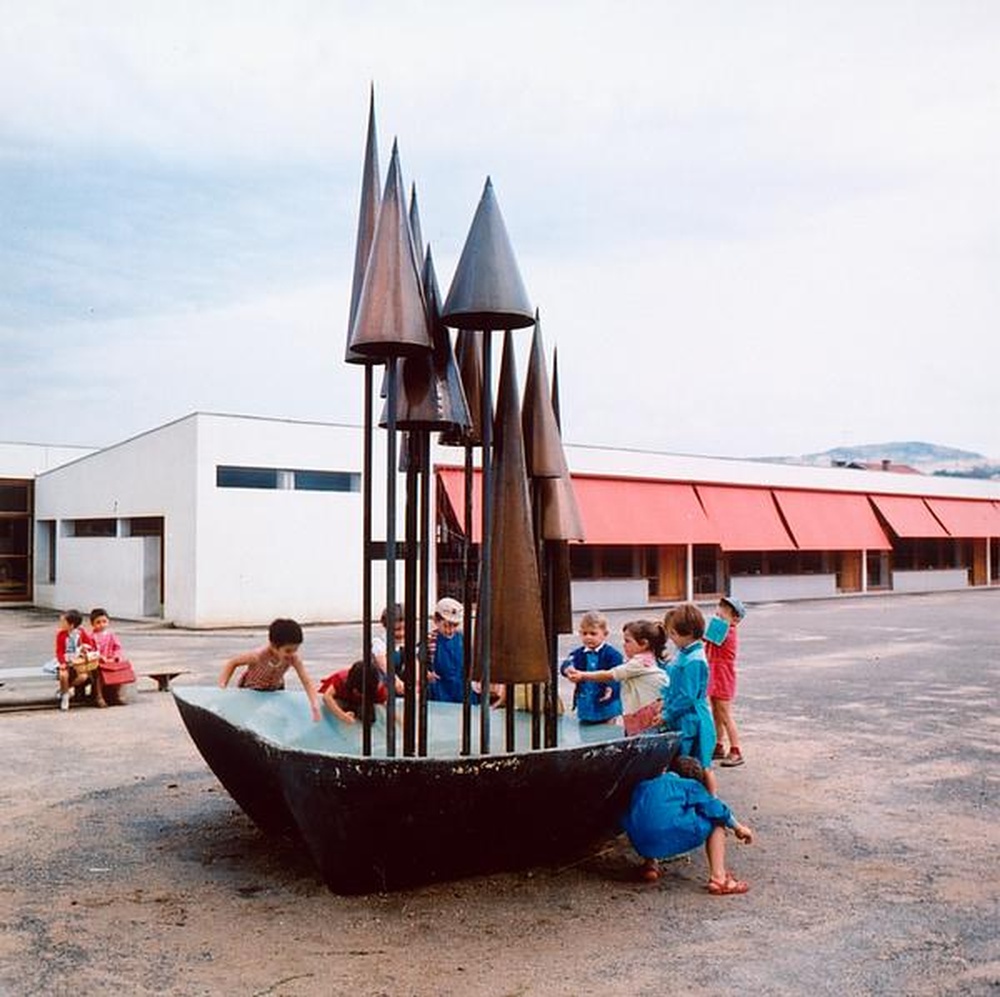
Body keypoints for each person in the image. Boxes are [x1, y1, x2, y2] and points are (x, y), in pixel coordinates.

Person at [622, 754, 754, 893]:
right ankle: (719, 879)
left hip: (639, 842)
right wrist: (738, 827)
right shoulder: (691, 785)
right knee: (716, 820)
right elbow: (716, 808)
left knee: (651, 816)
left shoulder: (645, 785)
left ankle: (650, 864)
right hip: (665, 833)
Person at [566, 619, 667, 733]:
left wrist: (582, 675)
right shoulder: (648, 659)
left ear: (644, 643)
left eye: (627, 641)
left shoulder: (640, 663)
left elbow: (610, 674)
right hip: (643, 711)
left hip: (643, 714)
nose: (624, 645)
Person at [218, 617, 320, 721]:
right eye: (288, 651)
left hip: (274, 688)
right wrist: (222, 686)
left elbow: (306, 681)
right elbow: (232, 663)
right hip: (252, 688)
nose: (292, 654)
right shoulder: (257, 656)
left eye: (295, 650)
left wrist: (314, 703)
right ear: (273, 645)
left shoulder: (294, 658)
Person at [660, 603, 717, 771]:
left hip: (689, 717)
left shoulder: (694, 659)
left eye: (674, 634)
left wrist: (667, 714)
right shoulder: (684, 651)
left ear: (690, 633)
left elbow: (687, 696)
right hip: (680, 714)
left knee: (689, 764)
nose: (671, 638)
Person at [559, 610, 623, 724]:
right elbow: (566, 663)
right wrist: (568, 670)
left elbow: (618, 674)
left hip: (606, 702)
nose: (588, 637)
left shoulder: (612, 654)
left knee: (607, 730)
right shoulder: (578, 653)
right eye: (584, 633)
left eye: (593, 634)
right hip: (585, 702)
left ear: (605, 634)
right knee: (586, 727)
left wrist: (611, 687)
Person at [706, 596, 747, 767]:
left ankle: (736, 750)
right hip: (714, 672)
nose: (719, 611)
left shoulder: (726, 630)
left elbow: (704, 638)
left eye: (725, 611)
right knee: (716, 711)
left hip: (722, 674)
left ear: (735, 619)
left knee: (724, 713)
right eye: (720, 607)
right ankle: (718, 745)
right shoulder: (722, 626)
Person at [89, 608, 136, 707]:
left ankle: (117, 695)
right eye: (98, 622)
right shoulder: (91, 637)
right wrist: (99, 657)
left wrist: (115, 657)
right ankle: (99, 696)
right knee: (98, 674)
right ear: (92, 624)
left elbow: (117, 648)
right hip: (97, 662)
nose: (102, 625)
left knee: (120, 671)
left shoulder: (111, 635)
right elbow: (90, 650)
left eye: (104, 622)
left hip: (111, 660)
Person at [55, 609, 100, 711]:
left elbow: (90, 645)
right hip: (66, 660)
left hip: (78, 662)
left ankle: (63, 690)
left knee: (83, 677)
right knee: (63, 675)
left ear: (71, 625)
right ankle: (65, 698)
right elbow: (59, 651)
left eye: (63, 622)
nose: (61, 624)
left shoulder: (81, 633)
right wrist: (62, 663)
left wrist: (85, 648)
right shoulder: (61, 635)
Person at [319, 658, 386, 725]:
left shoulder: (377, 687)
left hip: (360, 702)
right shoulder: (342, 679)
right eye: (357, 691)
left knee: (369, 717)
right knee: (337, 704)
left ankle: (355, 710)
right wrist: (343, 716)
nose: (359, 694)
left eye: (362, 693)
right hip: (342, 698)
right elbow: (326, 697)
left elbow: (386, 703)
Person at [426, 597, 466, 703]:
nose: (450, 630)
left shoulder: (462, 638)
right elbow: (417, 662)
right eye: (446, 626)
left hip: (461, 688)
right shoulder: (430, 640)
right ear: (436, 620)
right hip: (439, 690)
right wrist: (427, 673)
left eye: (455, 626)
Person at [372, 604, 406, 695]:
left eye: (404, 628)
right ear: (386, 627)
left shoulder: (405, 645)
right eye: (397, 629)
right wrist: (397, 682)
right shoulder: (379, 643)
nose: (401, 633)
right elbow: (384, 666)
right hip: (380, 691)